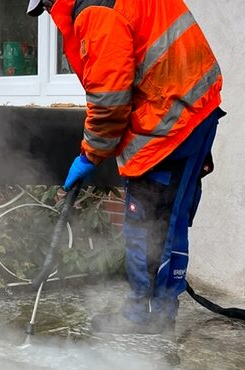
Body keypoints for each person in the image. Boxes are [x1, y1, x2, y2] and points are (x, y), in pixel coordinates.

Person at [27, 0, 224, 334]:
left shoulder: (96, 12)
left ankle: (146, 317)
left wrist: (89, 156)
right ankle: (160, 310)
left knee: (147, 224)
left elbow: (109, 102)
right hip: (193, 110)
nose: (48, 12)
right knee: (169, 221)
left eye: (45, 6)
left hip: (169, 124)